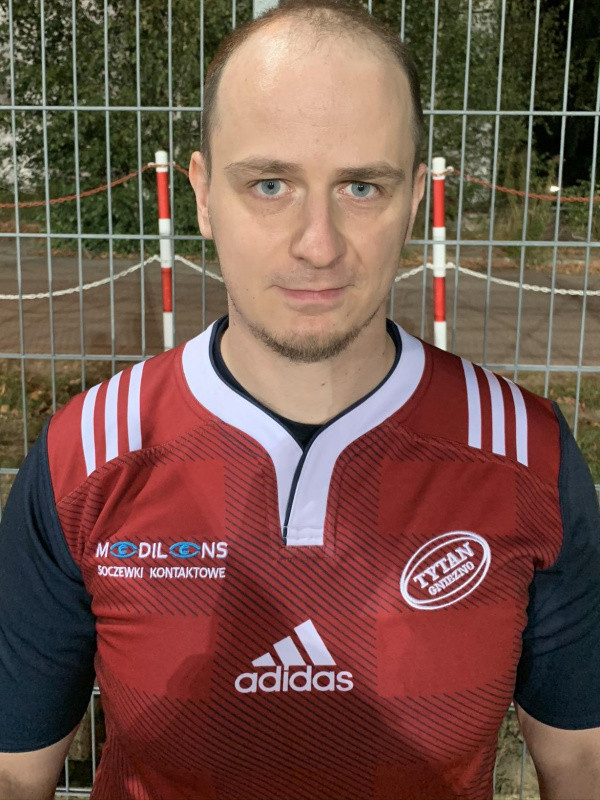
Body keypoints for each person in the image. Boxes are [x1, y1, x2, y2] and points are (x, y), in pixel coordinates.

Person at [1, 0, 599, 798]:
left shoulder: (527, 453)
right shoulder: (87, 452)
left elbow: (581, 762)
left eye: (361, 186)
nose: (318, 244)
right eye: (270, 184)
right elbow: (15, 769)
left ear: (415, 199)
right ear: (203, 195)